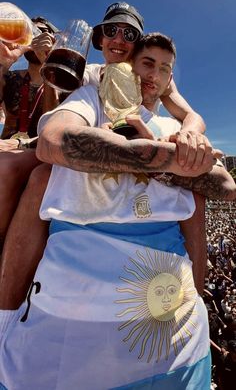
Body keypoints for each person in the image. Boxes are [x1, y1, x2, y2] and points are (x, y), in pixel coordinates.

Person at [0, 32, 222, 390]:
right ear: (129, 65)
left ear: (169, 81)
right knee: (33, 177)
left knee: (194, 202)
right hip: (70, 326)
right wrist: (157, 157)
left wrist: (186, 140)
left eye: (164, 69)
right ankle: (5, 315)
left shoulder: (172, 127)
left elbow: (222, 183)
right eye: (147, 62)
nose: (154, 73)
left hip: (174, 340)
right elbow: (54, 140)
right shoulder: (93, 87)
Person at [0, 1, 235, 312]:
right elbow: (55, 127)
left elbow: (191, 114)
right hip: (65, 141)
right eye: (111, 30)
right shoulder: (88, 73)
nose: (119, 38)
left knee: (193, 195)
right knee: (35, 174)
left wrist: (189, 135)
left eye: (129, 33)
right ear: (99, 38)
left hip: (101, 145)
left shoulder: (150, 73)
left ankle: (195, 308)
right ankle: (6, 306)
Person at [0, 16, 58, 250]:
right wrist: (4, 61)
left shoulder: (63, 82)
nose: (36, 37)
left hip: (37, 153)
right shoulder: (10, 77)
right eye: (31, 32)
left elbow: (52, 124)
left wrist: (50, 68)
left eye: (42, 32)